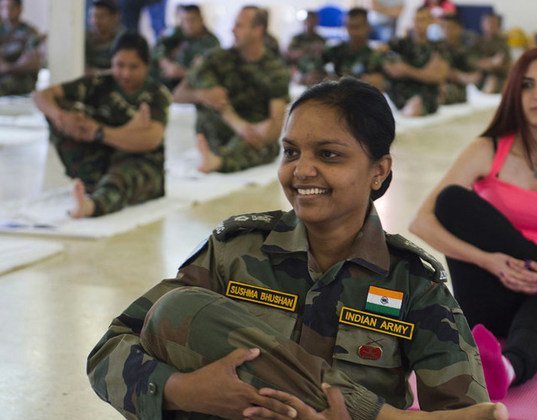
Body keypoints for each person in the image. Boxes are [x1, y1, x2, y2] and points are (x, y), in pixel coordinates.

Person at [87, 78, 508, 420]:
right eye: (291, 152)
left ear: (378, 171)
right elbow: (109, 351)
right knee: (175, 311)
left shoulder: (413, 284)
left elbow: (467, 414)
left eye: (329, 154)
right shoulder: (235, 251)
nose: (302, 170)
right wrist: (184, 391)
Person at [410, 45, 537, 399]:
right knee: (452, 201)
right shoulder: (487, 150)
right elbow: (422, 223)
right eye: (528, 85)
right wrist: (487, 260)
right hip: (488, 290)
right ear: (515, 93)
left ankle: (505, 370)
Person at [32, 32, 170, 218]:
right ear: (111, 62)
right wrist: (62, 117)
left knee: (121, 179)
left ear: (146, 66)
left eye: (134, 67)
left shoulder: (156, 94)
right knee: (61, 107)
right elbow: (41, 96)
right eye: (119, 65)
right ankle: (91, 180)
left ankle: (91, 206)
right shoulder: (100, 83)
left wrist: (100, 133)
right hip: (102, 159)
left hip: (140, 163)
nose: (125, 73)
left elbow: (150, 139)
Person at [173, 6, 288, 174]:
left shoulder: (275, 69)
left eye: (239, 25)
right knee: (207, 79)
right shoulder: (217, 58)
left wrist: (260, 133)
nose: (232, 30)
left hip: (248, 135)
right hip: (215, 130)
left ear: (258, 30)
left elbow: (276, 122)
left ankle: (218, 161)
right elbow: (177, 94)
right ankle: (217, 157)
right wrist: (201, 95)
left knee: (268, 147)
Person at [384, 6, 449, 116]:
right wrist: (425, 73)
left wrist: (406, 70)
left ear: (430, 22)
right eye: (416, 20)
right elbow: (391, 69)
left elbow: (438, 76)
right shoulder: (400, 44)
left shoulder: (438, 46)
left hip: (426, 96)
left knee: (417, 105)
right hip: (399, 94)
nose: (419, 24)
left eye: (423, 20)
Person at [151, 4, 220, 90]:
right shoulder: (177, 31)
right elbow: (157, 46)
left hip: (189, 86)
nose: (188, 24)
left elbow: (209, 70)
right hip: (163, 79)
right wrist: (165, 63)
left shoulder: (211, 42)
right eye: (183, 20)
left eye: (192, 20)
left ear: (201, 19)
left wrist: (183, 73)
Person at [323, 7, 386, 91]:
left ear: (368, 28)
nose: (352, 32)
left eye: (356, 27)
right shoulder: (336, 50)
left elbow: (379, 85)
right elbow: (317, 72)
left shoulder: (377, 55)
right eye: (349, 27)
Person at [0, 0, 42, 96]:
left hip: (22, 79)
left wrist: (9, 68)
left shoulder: (30, 32)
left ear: (19, 9)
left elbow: (33, 61)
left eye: (10, 7)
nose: (6, 12)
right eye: (3, 8)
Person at [438, 13, 479, 105]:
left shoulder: (468, 48)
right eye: (443, 27)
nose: (446, 31)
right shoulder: (437, 47)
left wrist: (454, 75)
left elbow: (475, 76)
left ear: (460, 28)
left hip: (458, 89)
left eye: (450, 27)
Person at [474, 12, 512, 94]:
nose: (490, 26)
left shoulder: (502, 43)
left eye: (493, 23)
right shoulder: (477, 42)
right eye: (487, 22)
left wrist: (496, 65)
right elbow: (474, 62)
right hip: (479, 76)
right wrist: (492, 62)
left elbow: (508, 65)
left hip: (498, 76)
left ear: (499, 26)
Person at [285, 10, 326, 86]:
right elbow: (289, 54)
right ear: (304, 22)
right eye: (308, 21)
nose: (310, 24)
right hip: (299, 72)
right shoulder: (297, 38)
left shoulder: (321, 39)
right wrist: (307, 50)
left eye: (313, 21)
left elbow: (325, 58)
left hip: (316, 73)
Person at [85, 0, 125, 74]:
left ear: (115, 18)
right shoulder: (84, 40)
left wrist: (97, 72)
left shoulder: (124, 39)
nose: (95, 21)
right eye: (92, 16)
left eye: (101, 16)